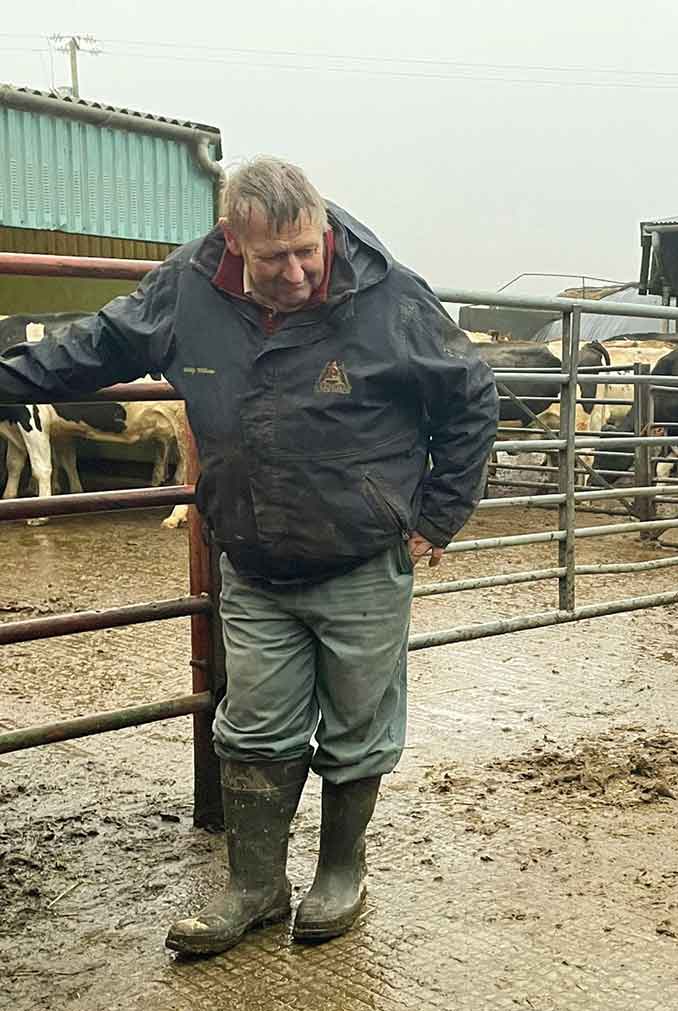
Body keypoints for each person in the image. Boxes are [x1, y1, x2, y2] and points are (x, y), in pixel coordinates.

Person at [0, 157, 498, 955]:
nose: (299, 271)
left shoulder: (388, 296)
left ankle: (342, 874)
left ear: (323, 228)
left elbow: (470, 395)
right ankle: (256, 885)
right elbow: (91, 350)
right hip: (254, 556)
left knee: (358, 726)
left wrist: (438, 515)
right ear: (234, 242)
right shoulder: (186, 288)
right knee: (254, 728)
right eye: (276, 258)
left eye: (309, 249)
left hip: (361, 555)